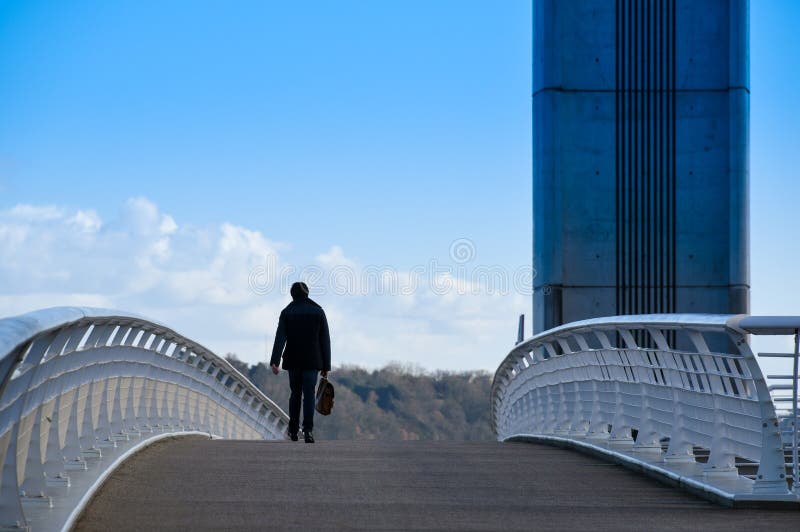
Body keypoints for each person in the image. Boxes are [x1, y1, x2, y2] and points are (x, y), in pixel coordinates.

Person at [270, 281, 331, 443]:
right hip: (313, 361)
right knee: (309, 394)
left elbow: (280, 338)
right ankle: (308, 431)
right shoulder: (318, 312)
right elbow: (325, 340)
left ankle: (293, 431)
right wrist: (326, 366)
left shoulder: (287, 312)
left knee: (295, 394)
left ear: (292, 295)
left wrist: (275, 361)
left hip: (294, 360)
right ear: (307, 293)